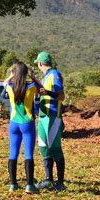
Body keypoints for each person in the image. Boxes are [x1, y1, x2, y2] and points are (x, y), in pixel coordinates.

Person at [3, 61, 39, 193]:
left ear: (15, 73)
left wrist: (12, 76)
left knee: (13, 153)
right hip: (27, 123)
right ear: (25, 74)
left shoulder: (10, 87)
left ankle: (13, 184)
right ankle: (30, 185)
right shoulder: (31, 87)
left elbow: (4, 83)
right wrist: (33, 76)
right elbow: (41, 87)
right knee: (28, 154)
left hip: (13, 123)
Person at [34, 51, 66, 191]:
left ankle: (60, 183)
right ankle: (48, 179)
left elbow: (61, 96)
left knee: (55, 148)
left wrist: (47, 93)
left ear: (40, 63)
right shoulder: (46, 76)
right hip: (43, 115)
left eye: (38, 64)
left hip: (53, 116)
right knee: (43, 147)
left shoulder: (54, 74)